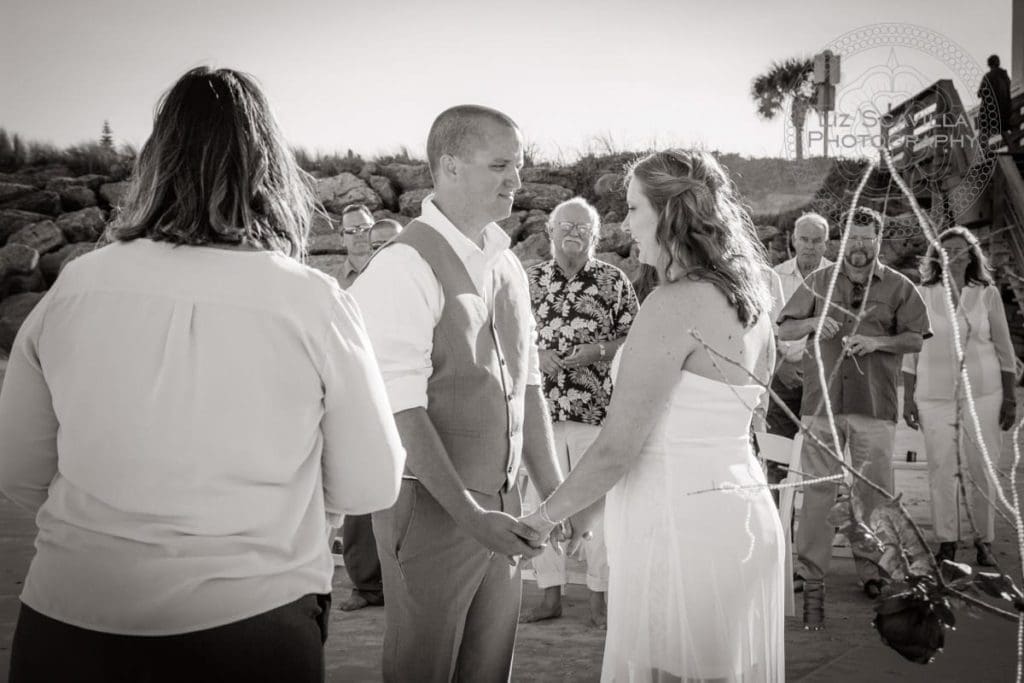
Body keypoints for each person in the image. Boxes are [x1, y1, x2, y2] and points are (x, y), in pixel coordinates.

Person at [0, 67, 405, 682]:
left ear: (157, 164)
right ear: (269, 169)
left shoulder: (75, 287)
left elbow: (18, 472)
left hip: (72, 617)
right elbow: (370, 485)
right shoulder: (311, 301)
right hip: (251, 621)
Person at [521, 149, 785, 682]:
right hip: (739, 515)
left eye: (633, 208)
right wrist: (589, 517)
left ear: (670, 214)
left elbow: (621, 445)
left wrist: (543, 518)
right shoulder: (751, 299)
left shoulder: (673, 304)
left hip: (679, 526)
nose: (623, 223)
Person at [349, 104, 570, 682]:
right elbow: (400, 411)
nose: (516, 181)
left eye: (519, 166)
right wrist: (471, 515)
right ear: (448, 167)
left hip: (503, 514)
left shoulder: (509, 267)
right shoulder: (402, 267)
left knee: (488, 670)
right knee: (423, 668)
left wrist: (553, 494)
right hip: (429, 515)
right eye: (500, 165)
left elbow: (527, 387)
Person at [778, 206, 930, 630]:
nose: (859, 247)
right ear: (842, 240)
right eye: (854, 238)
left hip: (875, 405)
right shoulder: (818, 282)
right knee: (819, 493)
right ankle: (811, 574)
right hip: (821, 404)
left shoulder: (901, 287)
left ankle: (876, 573)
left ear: (879, 241)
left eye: (868, 239)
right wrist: (814, 320)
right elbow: (784, 330)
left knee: (874, 495)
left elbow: (916, 337)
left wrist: (879, 341)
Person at [520, 196, 639, 628]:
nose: (573, 233)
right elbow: (508, 341)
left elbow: (636, 341)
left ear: (596, 234)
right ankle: (548, 595)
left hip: (597, 413)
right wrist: (538, 352)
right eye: (565, 226)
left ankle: (600, 599)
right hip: (542, 416)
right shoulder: (528, 281)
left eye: (582, 227)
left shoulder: (613, 281)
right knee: (541, 503)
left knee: (599, 508)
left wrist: (600, 350)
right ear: (549, 232)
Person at [902, 227, 1016, 567]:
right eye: (946, 249)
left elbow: (1004, 349)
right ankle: (947, 542)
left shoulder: (987, 294)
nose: (953, 255)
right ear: (937, 256)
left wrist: (1010, 397)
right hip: (934, 396)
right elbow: (911, 353)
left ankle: (984, 541)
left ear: (971, 255)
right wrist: (908, 398)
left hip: (984, 394)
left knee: (982, 467)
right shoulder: (921, 293)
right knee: (941, 468)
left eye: (960, 249)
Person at [335, 217, 406, 612]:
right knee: (363, 496)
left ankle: (400, 582)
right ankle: (365, 585)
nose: (380, 250)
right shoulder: (350, 288)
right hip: (366, 399)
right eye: (374, 244)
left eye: (389, 244)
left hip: (408, 398)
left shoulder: (417, 282)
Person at [767, 213, 833, 439]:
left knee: (819, 452)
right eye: (804, 239)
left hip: (824, 378)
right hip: (783, 375)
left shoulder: (837, 278)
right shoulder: (775, 277)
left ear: (826, 244)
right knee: (778, 450)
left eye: (816, 241)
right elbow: (765, 331)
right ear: (794, 241)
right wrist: (780, 366)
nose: (810, 246)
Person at [328, 203, 375, 288]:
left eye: (365, 227)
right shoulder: (332, 283)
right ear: (342, 239)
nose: (359, 234)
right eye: (351, 229)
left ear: (374, 231)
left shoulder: (392, 270)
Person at [977, 55, 1013, 147]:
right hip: (1004, 111)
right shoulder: (1005, 76)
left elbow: (980, 93)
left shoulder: (988, 76)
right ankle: (1013, 150)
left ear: (989, 64)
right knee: (1004, 130)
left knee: (984, 132)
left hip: (990, 110)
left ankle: (983, 155)